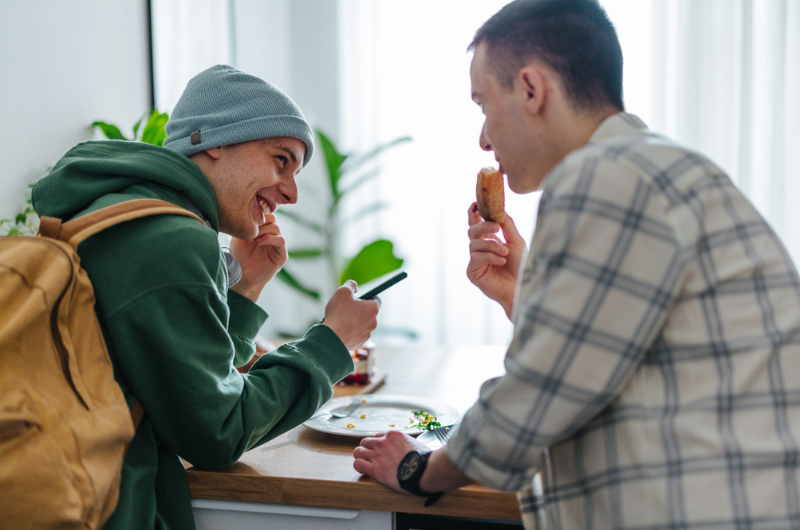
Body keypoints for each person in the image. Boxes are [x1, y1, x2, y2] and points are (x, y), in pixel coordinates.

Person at [352, 1, 800, 528]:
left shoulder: (603, 177)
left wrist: (415, 468)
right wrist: (522, 297)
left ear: (531, 89)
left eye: (482, 106)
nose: (483, 138)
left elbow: (537, 397)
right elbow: (613, 358)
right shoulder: (660, 169)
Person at [32, 64, 380, 530]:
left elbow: (182, 382)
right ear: (213, 140)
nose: (292, 193)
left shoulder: (117, 210)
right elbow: (217, 431)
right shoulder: (172, 239)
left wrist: (246, 288)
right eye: (281, 160)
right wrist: (333, 342)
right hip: (113, 509)